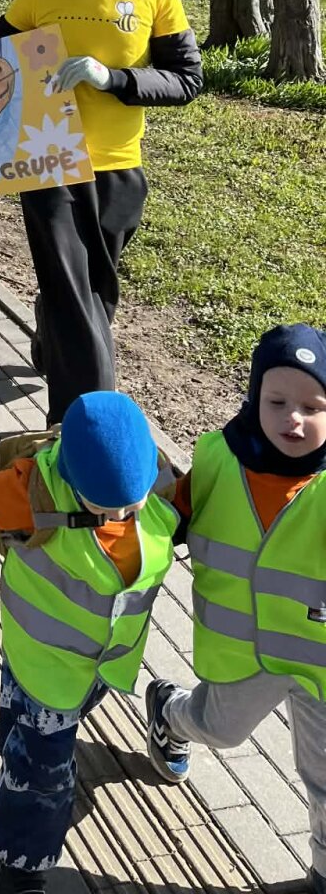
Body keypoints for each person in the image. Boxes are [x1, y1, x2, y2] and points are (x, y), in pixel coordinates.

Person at [0, 391, 177, 894]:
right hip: (45, 663)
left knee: (30, 712)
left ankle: (14, 725)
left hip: (100, 665)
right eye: (103, 506)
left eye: (130, 503)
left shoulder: (162, 484)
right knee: (41, 775)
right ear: (70, 476)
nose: (120, 513)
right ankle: (22, 870)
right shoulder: (29, 491)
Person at [0, 0, 202, 423]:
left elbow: (186, 80)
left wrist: (113, 78)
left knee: (96, 292)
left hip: (118, 165)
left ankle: (50, 330)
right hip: (48, 158)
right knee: (73, 295)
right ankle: (79, 430)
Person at [145, 324, 326, 894]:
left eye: (313, 407)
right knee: (218, 730)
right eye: (277, 402)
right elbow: (164, 519)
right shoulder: (219, 461)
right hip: (242, 655)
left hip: (320, 665)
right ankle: (169, 713)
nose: (294, 419)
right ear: (253, 397)